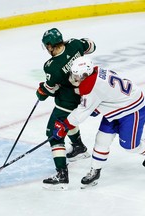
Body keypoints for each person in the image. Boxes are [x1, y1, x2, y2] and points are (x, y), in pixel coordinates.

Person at [53, 56, 145, 188]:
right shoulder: (97, 72)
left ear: (85, 75)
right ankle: (95, 171)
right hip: (115, 108)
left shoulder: (90, 87)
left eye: (77, 76)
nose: (74, 78)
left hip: (132, 110)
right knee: (101, 139)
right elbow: (107, 92)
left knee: (130, 146)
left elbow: (82, 112)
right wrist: (97, 108)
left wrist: (65, 125)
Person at [36, 28, 96, 189]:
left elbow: (51, 89)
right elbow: (91, 46)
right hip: (87, 95)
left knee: (53, 133)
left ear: (50, 46)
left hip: (67, 101)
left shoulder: (51, 66)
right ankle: (79, 147)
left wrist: (41, 91)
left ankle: (62, 175)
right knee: (70, 121)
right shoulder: (75, 44)